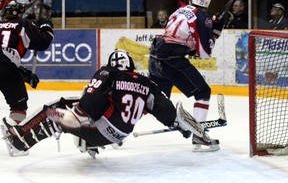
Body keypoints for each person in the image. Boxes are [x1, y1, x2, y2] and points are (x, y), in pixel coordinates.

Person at [1, 49, 218, 157]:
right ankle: (88, 142)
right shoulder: (147, 84)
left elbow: (89, 102)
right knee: (67, 104)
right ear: (131, 65)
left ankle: (19, 143)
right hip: (120, 133)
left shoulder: (108, 73)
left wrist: (77, 115)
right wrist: (183, 128)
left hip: (101, 131)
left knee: (52, 111)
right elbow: (168, 113)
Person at [148, 0, 224, 149]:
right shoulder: (202, 17)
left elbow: (179, 37)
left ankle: (116, 127)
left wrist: (209, 31)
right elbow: (204, 54)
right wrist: (214, 33)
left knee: (150, 99)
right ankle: (198, 134)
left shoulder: (180, 10)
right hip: (172, 61)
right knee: (203, 92)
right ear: (208, 1)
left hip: (155, 58)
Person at [0, 1, 54, 126]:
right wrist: (45, 24)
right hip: (6, 67)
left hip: (6, 65)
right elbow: (43, 42)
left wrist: (21, 73)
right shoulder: (23, 24)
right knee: (19, 106)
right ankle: (12, 131)